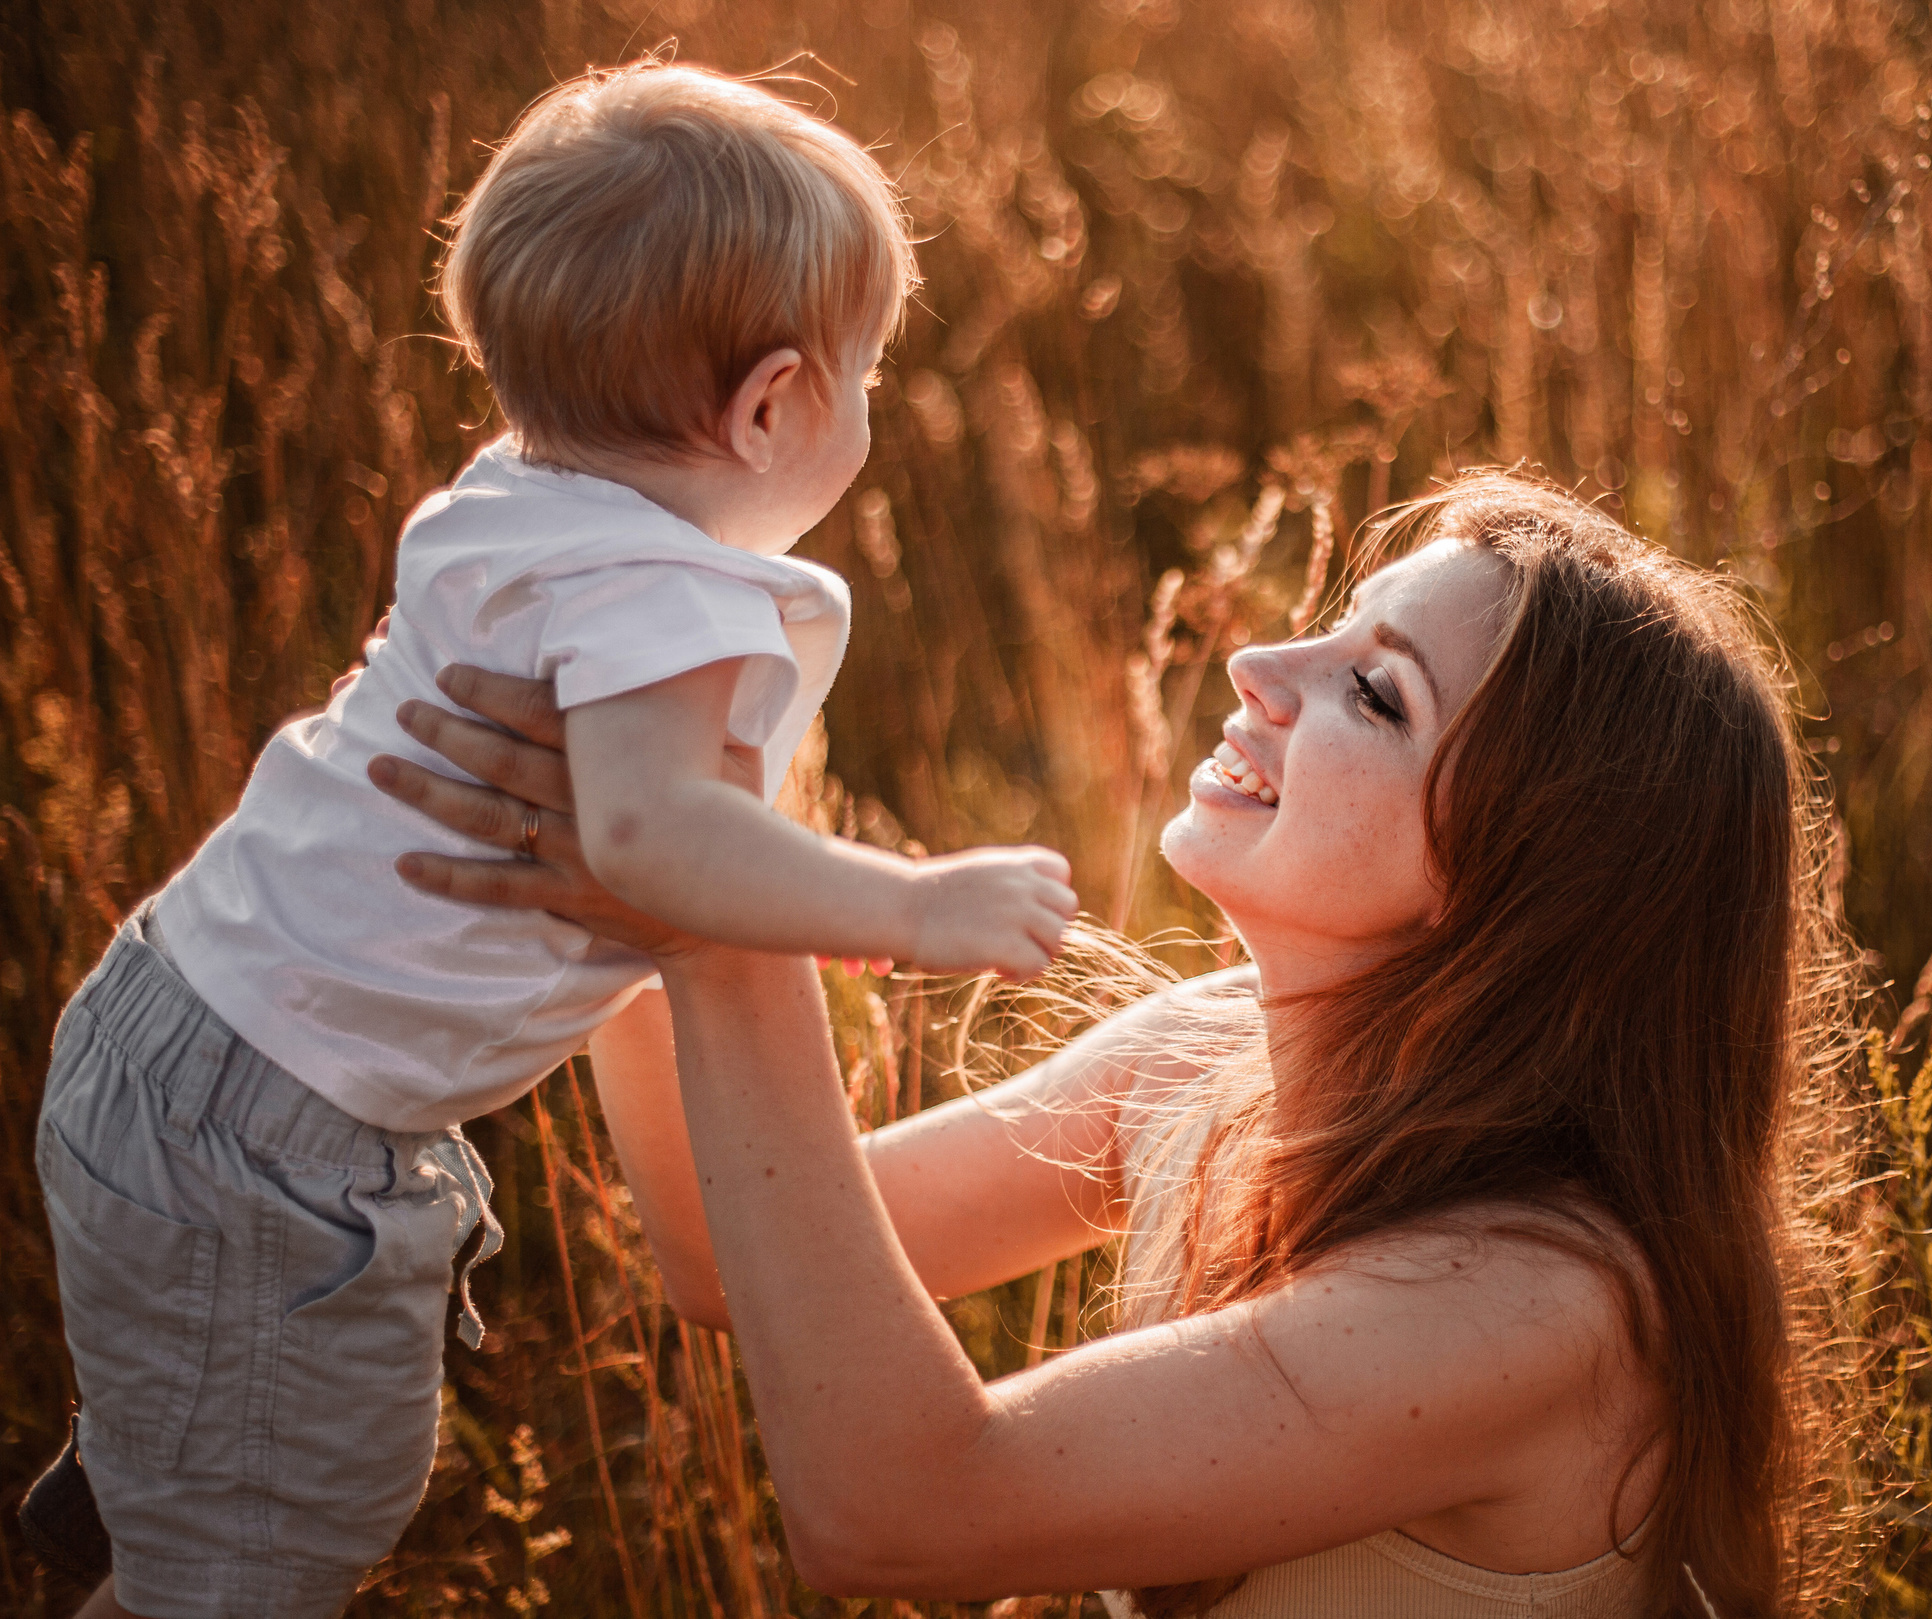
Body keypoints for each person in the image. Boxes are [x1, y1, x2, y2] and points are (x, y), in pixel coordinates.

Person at [375, 475, 1856, 1618]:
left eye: (1375, 693)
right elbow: (720, 1252)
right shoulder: (1201, 1065)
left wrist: (716, 911)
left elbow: (897, 1512)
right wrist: (636, 871)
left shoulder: (1541, 1304)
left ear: (1524, 892)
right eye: (1333, 620)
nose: (1259, 660)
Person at [29, 61, 1073, 1619]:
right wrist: (910, 904)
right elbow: (651, 840)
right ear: (772, 405)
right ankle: (188, 1502)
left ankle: (161, 1450)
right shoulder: (666, 600)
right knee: (277, 1552)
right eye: (866, 373)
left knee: (267, 1479)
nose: (868, 407)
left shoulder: (515, 501)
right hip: (273, 1127)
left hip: (177, 1035)